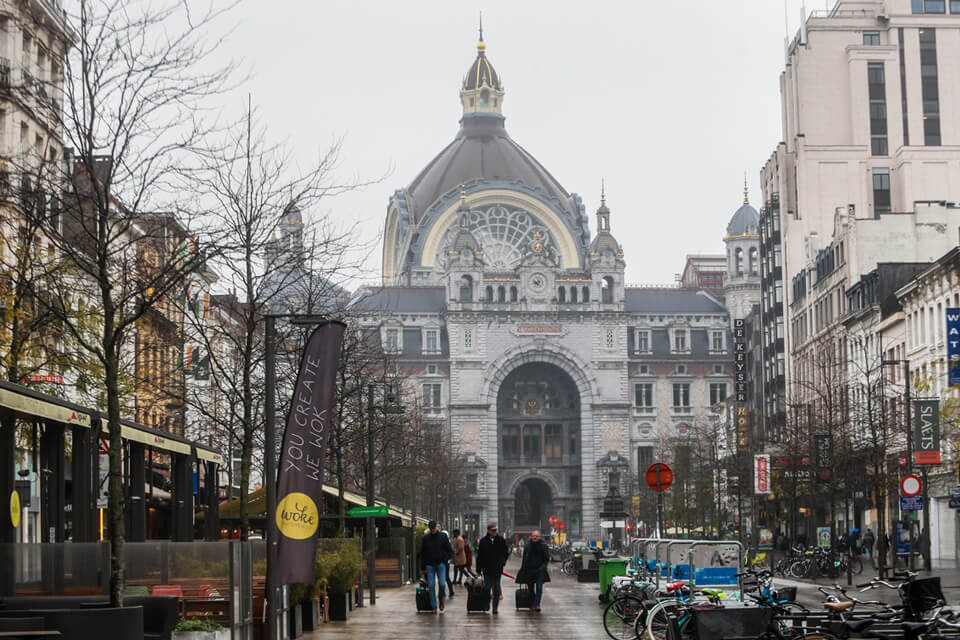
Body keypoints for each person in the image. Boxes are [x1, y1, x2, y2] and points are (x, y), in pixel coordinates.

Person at [420, 520, 453, 613]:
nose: (432, 530)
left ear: (436, 527)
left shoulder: (443, 536)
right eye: (431, 529)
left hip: (440, 564)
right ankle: (434, 606)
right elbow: (423, 553)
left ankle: (441, 599)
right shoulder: (425, 539)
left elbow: (449, 549)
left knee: (442, 584)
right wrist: (423, 567)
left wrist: (445, 560)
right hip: (430, 565)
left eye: (433, 528)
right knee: (431, 586)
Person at [476, 523, 509, 614]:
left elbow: (505, 553)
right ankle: (486, 604)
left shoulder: (500, 540)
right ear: (488, 531)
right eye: (493, 530)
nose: (494, 532)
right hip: (487, 570)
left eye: (495, 530)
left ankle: (495, 607)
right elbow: (480, 557)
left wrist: (502, 562)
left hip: (497, 569)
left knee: (497, 588)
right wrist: (478, 570)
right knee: (487, 588)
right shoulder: (483, 541)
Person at [516, 529, 550, 612]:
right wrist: (523, 569)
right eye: (533, 536)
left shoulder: (543, 546)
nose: (535, 537)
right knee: (530, 588)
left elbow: (546, 558)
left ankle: (537, 604)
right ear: (531, 537)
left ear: (540, 537)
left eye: (536, 536)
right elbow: (524, 558)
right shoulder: (528, 546)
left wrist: (543, 567)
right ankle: (533, 603)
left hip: (540, 570)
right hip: (529, 570)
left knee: (539, 587)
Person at [441, 528, 455, 597]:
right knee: (445, 577)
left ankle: (446, 592)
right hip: (445, 562)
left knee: (445, 577)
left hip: (444, 562)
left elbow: (450, 553)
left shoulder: (444, 543)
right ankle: (448, 591)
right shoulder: (447, 542)